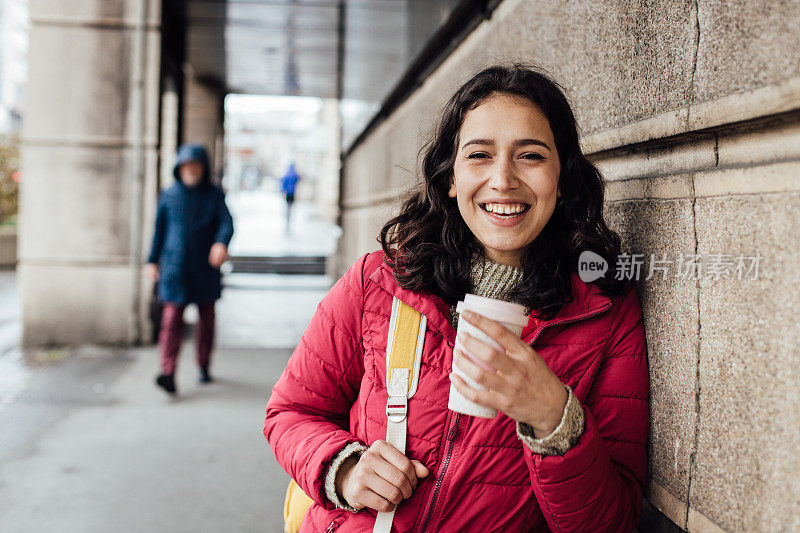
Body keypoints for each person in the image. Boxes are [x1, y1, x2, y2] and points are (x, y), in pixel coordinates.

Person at [263, 65, 649, 532]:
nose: (503, 179)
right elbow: (291, 411)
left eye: (530, 156)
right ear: (451, 177)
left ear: (562, 178)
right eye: (479, 155)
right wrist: (344, 469)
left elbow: (615, 520)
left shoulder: (603, 313)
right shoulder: (378, 281)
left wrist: (553, 418)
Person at [147, 143, 234, 395]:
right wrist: (151, 260)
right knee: (171, 320)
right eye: (187, 165)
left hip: (205, 269)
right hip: (174, 269)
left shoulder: (214, 195)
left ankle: (203, 364)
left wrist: (221, 242)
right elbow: (158, 231)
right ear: (179, 167)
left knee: (206, 321)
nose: (191, 170)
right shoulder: (169, 194)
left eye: (195, 165)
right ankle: (168, 372)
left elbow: (226, 223)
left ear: (203, 168)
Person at [280, 161, 300, 233]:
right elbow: (298, 180)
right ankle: (289, 215)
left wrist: (283, 192)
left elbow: (283, 183)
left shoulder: (286, 174)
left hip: (287, 193)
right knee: (290, 206)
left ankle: (288, 216)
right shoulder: (295, 174)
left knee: (287, 206)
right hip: (292, 193)